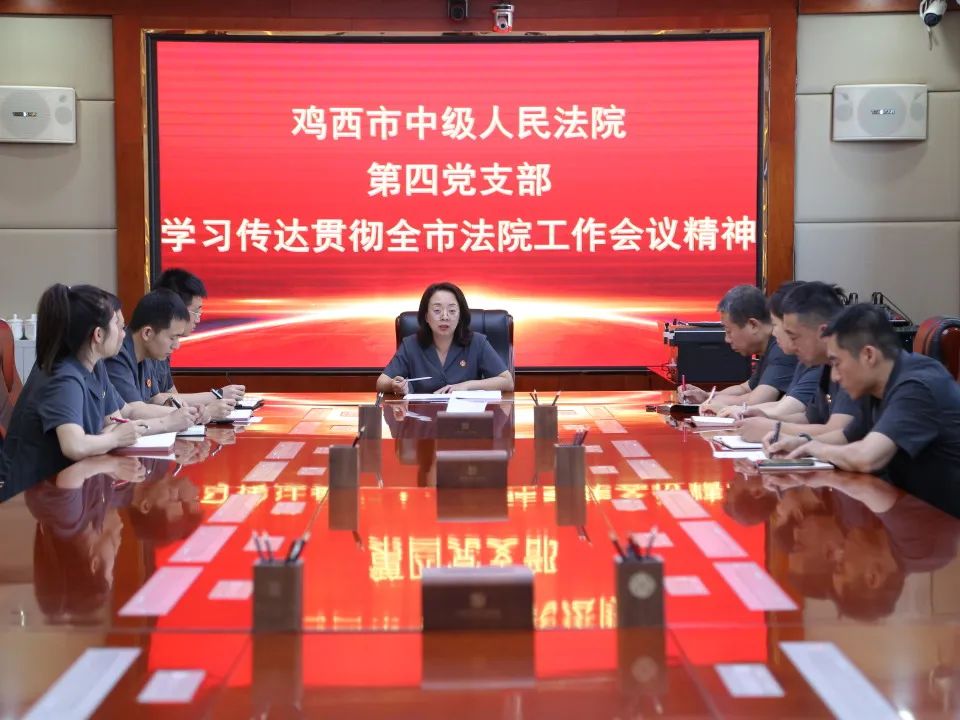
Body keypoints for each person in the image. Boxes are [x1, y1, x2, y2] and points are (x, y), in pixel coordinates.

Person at [0, 284, 196, 497]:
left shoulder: (96, 366)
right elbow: (74, 445)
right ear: (99, 335)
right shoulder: (64, 376)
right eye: (119, 327)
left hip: (72, 486)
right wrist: (113, 438)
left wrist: (167, 422)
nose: (124, 334)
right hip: (33, 498)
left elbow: (118, 419)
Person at [767, 304, 960, 514]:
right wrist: (801, 443)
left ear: (868, 355)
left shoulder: (917, 386)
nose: (834, 377)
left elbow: (867, 457)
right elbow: (846, 438)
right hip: (906, 512)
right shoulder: (874, 384)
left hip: (943, 524)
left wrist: (816, 448)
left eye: (837, 363)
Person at [736, 281, 860, 442]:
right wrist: (766, 418)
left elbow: (839, 431)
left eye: (794, 336)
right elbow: (809, 418)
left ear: (822, 332)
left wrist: (775, 428)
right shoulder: (823, 365)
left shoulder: (851, 365)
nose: (793, 345)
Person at [376, 282, 514, 395]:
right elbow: (381, 382)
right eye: (437, 310)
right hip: (422, 418)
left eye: (452, 311)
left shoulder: (477, 342)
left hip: (466, 418)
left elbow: (507, 381)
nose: (445, 316)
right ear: (426, 316)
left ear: (460, 316)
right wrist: (394, 385)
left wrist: (467, 386)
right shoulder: (411, 344)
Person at [679, 285, 797, 412]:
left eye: (729, 331)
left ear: (753, 325)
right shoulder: (768, 348)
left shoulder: (782, 349)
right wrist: (706, 396)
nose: (727, 339)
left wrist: (711, 402)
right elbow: (745, 388)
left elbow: (755, 401)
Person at [717, 281, 819, 420]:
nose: (773, 332)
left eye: (776, 325)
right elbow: (792, 410)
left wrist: (730, 408)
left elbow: (782, 409)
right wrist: (714, 399)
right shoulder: (804, 361)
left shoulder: (786, 353)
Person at [152, 268, 244, 413]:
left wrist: (206, 410)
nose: (198, 319)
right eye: (196, 311)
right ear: (176, 308)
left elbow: (172, 397)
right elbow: (153, 401)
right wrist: (215, 397)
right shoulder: (146, 348)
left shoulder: (164, 345)